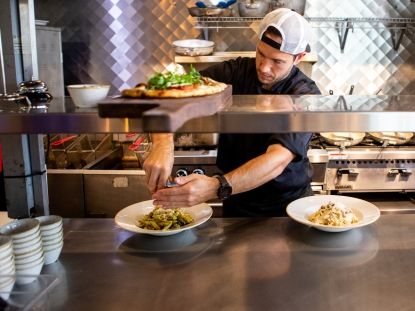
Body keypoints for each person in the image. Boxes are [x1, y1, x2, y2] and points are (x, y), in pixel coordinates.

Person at [144, 8, 321, 217]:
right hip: (236, 202)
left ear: (298, 58)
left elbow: (277, 159)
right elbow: (172, 91)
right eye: (261, 54)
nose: (264, 67)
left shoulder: (305, 94)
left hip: (286, 208)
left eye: (277, 61)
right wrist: (163, 142)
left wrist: (216, 186)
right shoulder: (235, 71)